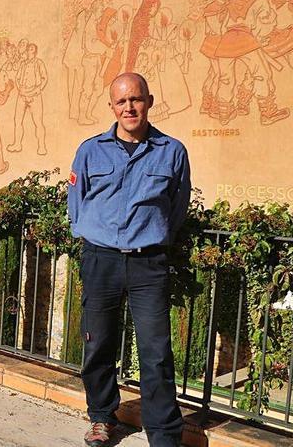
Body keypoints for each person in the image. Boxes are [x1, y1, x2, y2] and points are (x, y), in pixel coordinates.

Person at [67, 73, 190, 447]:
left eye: (136, 99)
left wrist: (152, 238)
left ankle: (164, 434)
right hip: (101, 260)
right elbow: (77, 201)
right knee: (97, 343)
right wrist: (91, 235)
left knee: (155, 351)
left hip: (148, 264)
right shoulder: (90, 151)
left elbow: (177, 206)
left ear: (149, 102)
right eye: (121, 102)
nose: (129, 107)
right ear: (112, 107)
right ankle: (103, 418)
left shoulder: (172, 151)